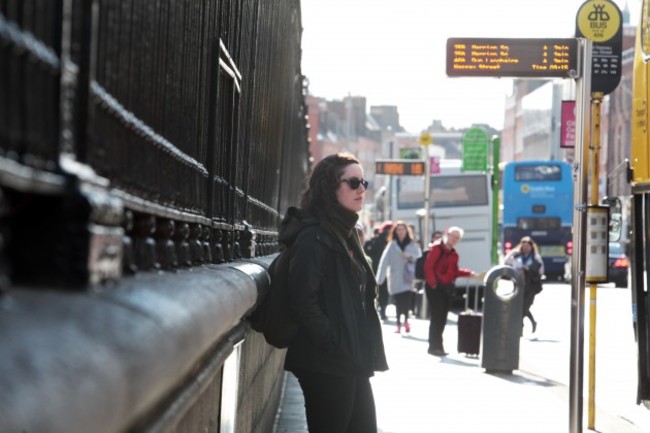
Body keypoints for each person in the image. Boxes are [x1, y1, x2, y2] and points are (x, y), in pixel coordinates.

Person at [280, 152, 388, 433]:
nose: (361, 189)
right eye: (353, 182)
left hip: (349, 357)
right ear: (330, 186)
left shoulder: (345, 230)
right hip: (326, 361)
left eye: (363, 182)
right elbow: (302, 298)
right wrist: (332, 341)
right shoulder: (314, 236)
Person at [423, 226, 477, 356]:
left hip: (446, 289)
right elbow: (428, 267)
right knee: (437, 317)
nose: (454, 239)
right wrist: (434, 284)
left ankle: (438, 346)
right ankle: (434, 346)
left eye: (457, 238)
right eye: (453, 236)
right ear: (447, 234)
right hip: (435, 288)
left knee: (442, 318)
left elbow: (454, 272)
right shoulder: (437, 249)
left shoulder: (454, 254)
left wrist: (469, 273)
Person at [376, 221, 422, 334]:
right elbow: (384, 261)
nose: (401, 232)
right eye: (398, 230)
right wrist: (379, 279)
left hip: (408, 276)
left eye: (403, 229)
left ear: (407, 231)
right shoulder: (392, 245)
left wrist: (410, 256)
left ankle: (405, 321)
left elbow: (419, 256)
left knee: (406, 300)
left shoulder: (412, 244)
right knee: (398, 301)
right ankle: (398, 323)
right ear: (395, 232)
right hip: (395, 277)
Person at [504, 236, 544, 333]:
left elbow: (541, 270)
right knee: (520, 307)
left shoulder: (535, 257)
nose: (526, 248)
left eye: (528, 246)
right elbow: (506, 261)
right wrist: (514, 251)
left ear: (531, 247)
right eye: (524, 246)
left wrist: (528, 269)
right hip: (518, 285)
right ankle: (528, 324)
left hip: (531, 286)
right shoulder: (517, 256)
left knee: (524, 307)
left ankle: (520, 328)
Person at [364, 220, 393, 321]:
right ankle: (382, 310)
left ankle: (379, 309)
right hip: (384, 269)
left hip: (374, 268)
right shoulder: (390, 241)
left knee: (375, 289)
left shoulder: (375, 241)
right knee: (383, 291)